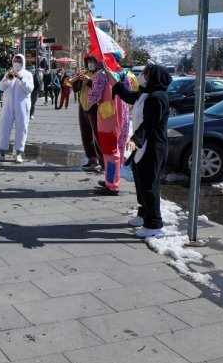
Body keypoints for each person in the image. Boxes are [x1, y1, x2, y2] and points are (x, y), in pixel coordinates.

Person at [111, 64, 173, 238]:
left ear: (153, 77)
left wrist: (136, 139)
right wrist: (113, 79)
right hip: (141, 146)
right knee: (140, 181)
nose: (141, 76)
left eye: (145, 74)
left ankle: (154, 225)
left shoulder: (157, 97)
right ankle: (143, 213)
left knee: (149, 185)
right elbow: (128, 96)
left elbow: (149, 124)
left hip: (152, 147)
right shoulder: (144, 94)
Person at [88, 53, 132, 196]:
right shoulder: (125, 74)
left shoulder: (101, 75)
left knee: (110, 152)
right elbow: (128, 93)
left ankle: (112, 185)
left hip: (109, 118)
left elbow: (93, 97)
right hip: (123, 116)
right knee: (118, 149)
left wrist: (92, 83)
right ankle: (111, 179)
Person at [0, 54, 34, 163]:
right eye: (15, 60)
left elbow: (30, 89)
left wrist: (20, 78)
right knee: (4, 127)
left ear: (23, 62)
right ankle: (2, 153)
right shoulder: (8, 73)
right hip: (8, 105)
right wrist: (8, 77)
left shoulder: (27, 74)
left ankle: (19, 153)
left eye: (19, 61)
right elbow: (1, 87)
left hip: (22, 105)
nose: (17, 62)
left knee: (21, 128)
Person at [73, 55, 103, 172]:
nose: (89, 64)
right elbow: (75, 89)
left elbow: (99, 89)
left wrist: (88, 80)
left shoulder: (101, 74)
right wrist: (77, 78)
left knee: (97, 135)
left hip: (95, 106)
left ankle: (102, 161)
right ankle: (92, 159)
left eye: (92, 61)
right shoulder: (86, 72)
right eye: (88, 61)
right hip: (83, 105)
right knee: (86, 134)